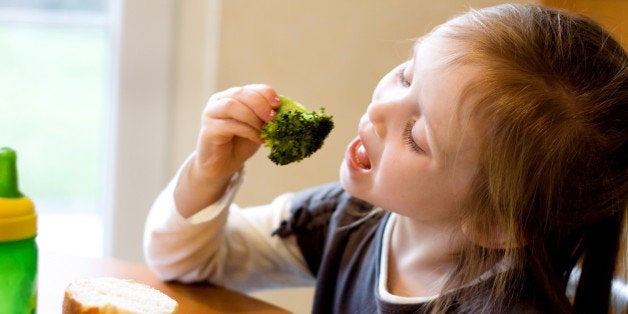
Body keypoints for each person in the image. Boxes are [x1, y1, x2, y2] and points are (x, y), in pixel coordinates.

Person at [144, 3, 627, 313]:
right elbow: (190, 263)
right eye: (405, 76)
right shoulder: (349, 219)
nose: (376, 111)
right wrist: (210, 174)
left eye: (416, 135)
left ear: (494, 224)